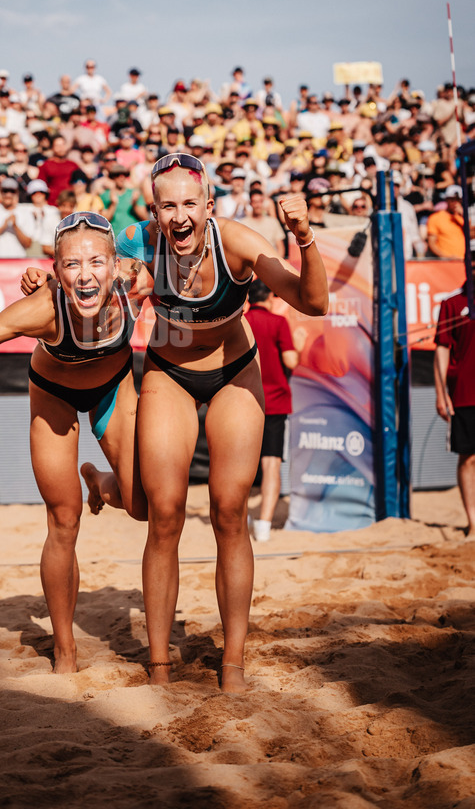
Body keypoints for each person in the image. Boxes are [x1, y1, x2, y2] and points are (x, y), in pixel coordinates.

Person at [117, 152, 328, 691]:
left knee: (230, 510)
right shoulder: (136, 241)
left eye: (191, 203)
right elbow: (81, 283)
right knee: (164, 512)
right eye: (169, 206)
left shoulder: (236, 242)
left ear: (208, 206)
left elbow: (314, 302)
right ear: (154, 212)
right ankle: (160, 665)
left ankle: (232, 662)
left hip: (236, 371)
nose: (180, 215)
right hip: (168, 372)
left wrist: (304, 236)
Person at [0, 212, 146, 672]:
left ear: (116, 265)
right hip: (54, 394)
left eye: (95, 263)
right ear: (55, 269)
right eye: (71, 265)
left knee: (143, 503)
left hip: (113, 387)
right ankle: (64, 648)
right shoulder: (40, 309)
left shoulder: (137, 284)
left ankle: (98, 479)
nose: (85, 275)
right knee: (63, 522)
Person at [245, 280, 299, 541]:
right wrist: (298, 345)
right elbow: (291, 360)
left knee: (237, 466)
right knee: (271, 466)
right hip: (274, 402)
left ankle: (240, 518)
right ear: (268, 297)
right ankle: (264, 527)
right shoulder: (278, 323)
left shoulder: (240, 323)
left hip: (241, 402)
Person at [434, 285, 475, 537]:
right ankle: (473, 523)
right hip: (465, 393)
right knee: (468, 458)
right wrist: (440, 393)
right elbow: (441, 349)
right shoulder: (452, 303)